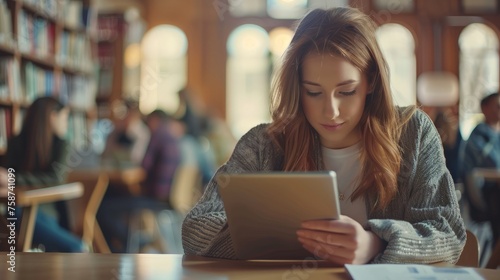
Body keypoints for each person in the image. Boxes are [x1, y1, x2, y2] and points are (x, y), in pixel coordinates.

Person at [182, 7, 466, 264]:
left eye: (346, 91)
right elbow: (196, 229)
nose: (330, 111)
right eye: (313, 92)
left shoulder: (413, 133)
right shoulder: (263, 145)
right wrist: (295, 240)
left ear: (371, 83)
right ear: (297, 87)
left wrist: (375, 243)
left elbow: (448, 234)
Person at [0, 96, 86, 252]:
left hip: (45, 211)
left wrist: (14, 179)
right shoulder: (16, 142)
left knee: (77, 248)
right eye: (65, 117)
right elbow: (4, 176)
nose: (67, 123)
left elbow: (56, 178)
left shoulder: (62, 144)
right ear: (53, 116)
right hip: (15, 209)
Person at [97, 109, 182, 252]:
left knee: (103, 207)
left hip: (154, 197)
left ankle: (128, 245)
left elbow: (144, 166)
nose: (146, 125)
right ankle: (126, 245)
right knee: (111, 199)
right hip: (167, 197)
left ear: (155, 121)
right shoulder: (172, 139)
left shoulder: (157, 137)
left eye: (148, 121)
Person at [462, 93, 500, 244]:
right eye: (497, 106)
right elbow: (494, 164)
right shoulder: (478, 137)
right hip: (484, 197)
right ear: (484, 108)